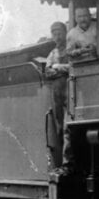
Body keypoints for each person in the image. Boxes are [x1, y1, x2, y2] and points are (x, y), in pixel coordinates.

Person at [44, 21, 70, 167]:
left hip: (68, 89)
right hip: (56, 93)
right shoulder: (52, 53)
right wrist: (56, 70)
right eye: (54, 33)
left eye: (59, 32)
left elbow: (72, 67)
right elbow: (47, 72)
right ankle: (61, 161)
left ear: (65, 33)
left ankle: (67, 162)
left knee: (67, 127)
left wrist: (58, 67)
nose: (57, 36)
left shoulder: (69, 49)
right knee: (59, 127)